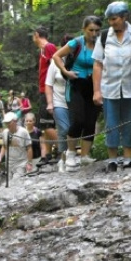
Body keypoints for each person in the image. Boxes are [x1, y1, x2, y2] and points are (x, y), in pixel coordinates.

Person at [93, 1, 131, 167]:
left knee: (130, 122)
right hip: (110, 87)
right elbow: (98, 64)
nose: (111, 22)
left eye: (115, 19)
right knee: (112, 123)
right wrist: (96, 91)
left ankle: (129, 158)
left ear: (125, 17)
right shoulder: (104, 37)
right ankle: (112, 160)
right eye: (109, 19)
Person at [52, 16, 103, 171]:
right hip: (76, 85)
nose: (94, 33)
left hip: (94, 85)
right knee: (79, 119)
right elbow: (56, 56)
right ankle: (71, 153)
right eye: (91, 30)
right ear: (84, 30)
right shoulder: (77, 42)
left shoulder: (101, 43)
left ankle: (85, 156)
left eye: (97, 30)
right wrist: (65, 72)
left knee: (90, 121)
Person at [31, 26, 58, 163]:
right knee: (46, 125)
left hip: (49, 91)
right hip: (43, 90)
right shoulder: (42, 50)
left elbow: (57, 65)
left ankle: (63, 149)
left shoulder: (49, 47)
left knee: (46, 124)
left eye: (33, 35)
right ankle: (47, 154)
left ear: (37, 35)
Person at [46, 34, 72, 167]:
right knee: (65, 128)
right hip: (59, 101)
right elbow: (48, 84)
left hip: (73, 101)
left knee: (70, 130)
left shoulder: (76, 61)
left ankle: (67, 157)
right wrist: (50, 103)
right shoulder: (54, 63)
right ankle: (64, 157)